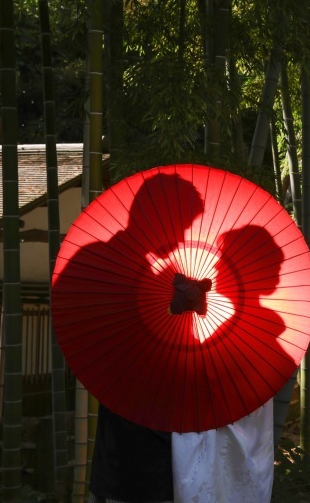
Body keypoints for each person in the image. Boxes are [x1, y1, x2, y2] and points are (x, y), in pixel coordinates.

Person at [53, 170, 204, 503]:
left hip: (163, 416)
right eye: (180, 227)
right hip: (127, 411)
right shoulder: (100, 262)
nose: (181, 238)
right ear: (155, 219)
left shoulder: (167, 278)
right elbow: (83, 338)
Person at [171, 225, 285, 503]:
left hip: (234, 417)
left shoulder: (254, 323)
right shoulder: (220, 320)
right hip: (217, 420)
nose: (217, 268)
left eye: (224, 261)